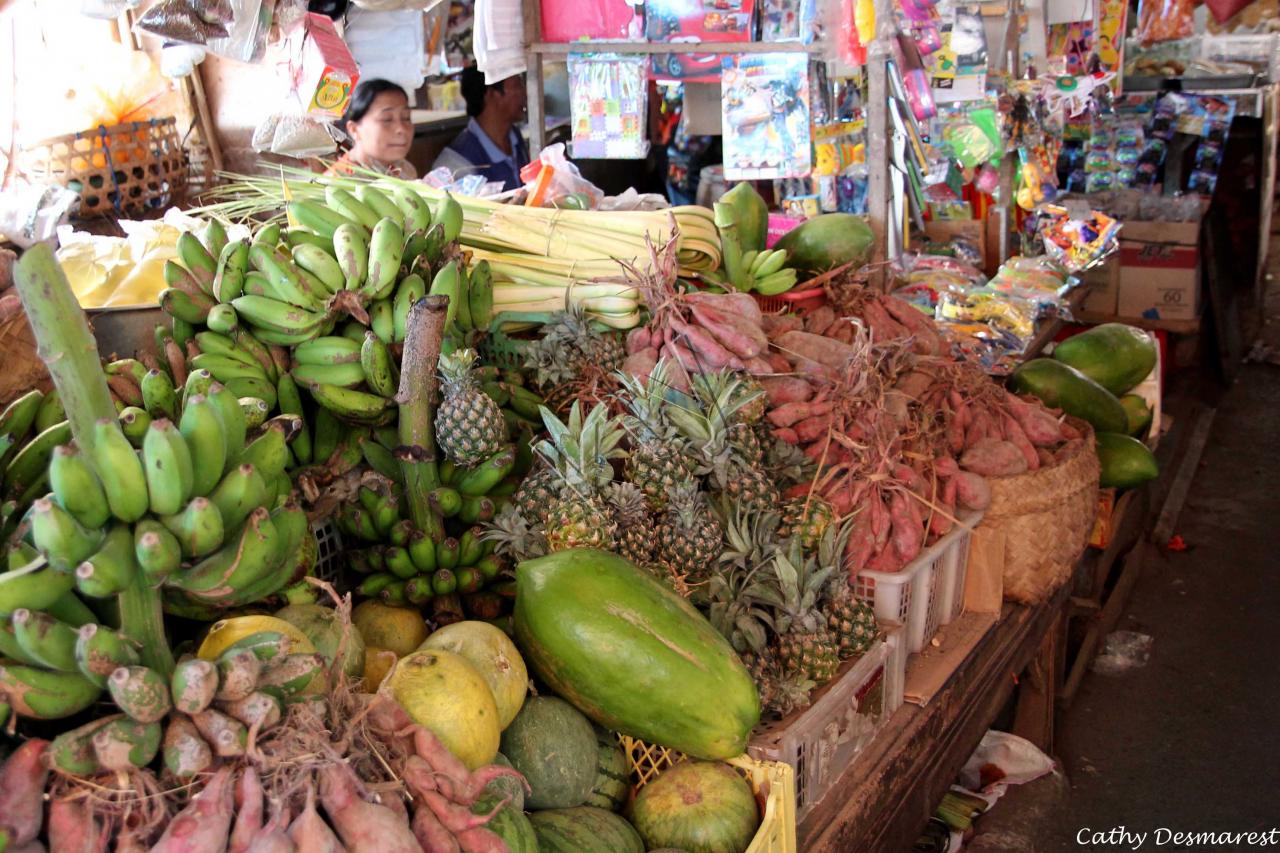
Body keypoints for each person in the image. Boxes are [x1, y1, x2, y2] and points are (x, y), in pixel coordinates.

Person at [432, 67, 530, 191]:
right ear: (490, 94)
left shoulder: (515, 138)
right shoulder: (456, 162)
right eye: (517, 86)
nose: (525, 94)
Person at [328, 79, 417, 178]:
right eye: (386, 119)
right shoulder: (339, 184)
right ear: (354, 129)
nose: (401, 129)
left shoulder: (404, 170)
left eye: (406, 118)